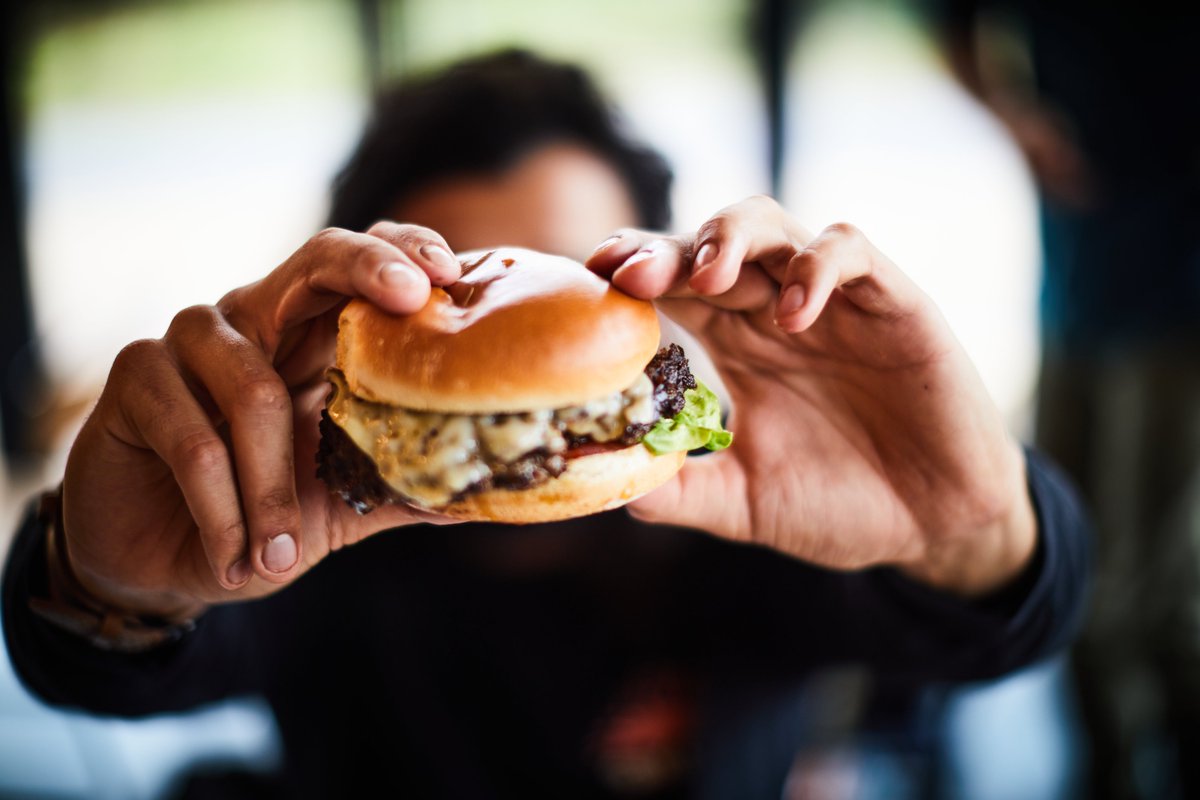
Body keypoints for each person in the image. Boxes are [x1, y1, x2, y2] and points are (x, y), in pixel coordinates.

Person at [2, 50, 1088, 798]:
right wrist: (103, 586)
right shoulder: (317, 516)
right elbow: (105, 666)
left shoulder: (743, 499)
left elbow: (992, 625)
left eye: (566, 286)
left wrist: (973, 524)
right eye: (467, 295)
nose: (515, 349)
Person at [928, 3, 1200, 796]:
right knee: (1067, 569)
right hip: (1077, 287)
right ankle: (1104, 769)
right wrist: (1017, 120)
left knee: (1152, 595)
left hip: (1180, 292)